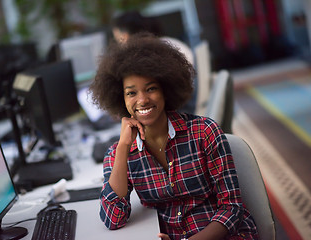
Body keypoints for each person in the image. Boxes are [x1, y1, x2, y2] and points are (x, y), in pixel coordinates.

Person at [89, 33, 258, 240]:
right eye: (131, 93)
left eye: (151, 89)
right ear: (120, 98)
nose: (142, 100)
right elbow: (113, 219)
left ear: (166, 90)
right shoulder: (118, 153)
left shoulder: (204, 132)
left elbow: (232, 208)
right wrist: (123, 147)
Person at [111, 11, 195, 114]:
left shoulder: (152, 56)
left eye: (119, 40)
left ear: (125, 36)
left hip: (182, 110)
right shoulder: (168, 43)